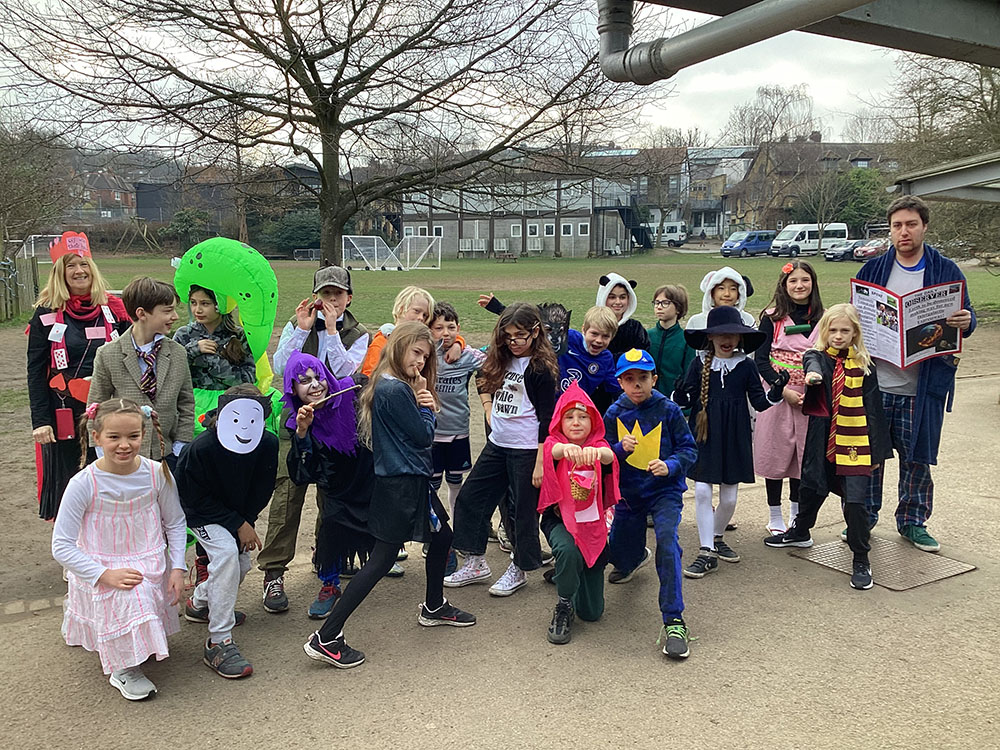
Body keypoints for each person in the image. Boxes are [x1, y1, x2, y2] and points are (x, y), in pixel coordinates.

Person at [303, 322, 476, 669]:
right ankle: (327, 636)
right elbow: (423, 435)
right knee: (381, 561)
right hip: (401, 486)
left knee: (443, 536)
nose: (420, 361)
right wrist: (427, 404)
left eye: (425, 356)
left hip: (410, 482)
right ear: (398, 347)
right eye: (416, 352)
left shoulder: (391, 384)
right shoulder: (394, 389)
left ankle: (433, 606)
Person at [855, 196, 976, 553]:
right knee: (871, 456)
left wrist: (968, 321)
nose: (903, 232)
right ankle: (865, 518)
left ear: (924, 226)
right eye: (897, 226)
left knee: (918, 457)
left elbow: (965, 315)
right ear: (890, 230)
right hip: (877, 381)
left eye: (910, 224)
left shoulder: (946, 270)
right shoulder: (873, 270)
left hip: (923, 385)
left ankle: (913, 521)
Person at [52, 398, 186, 700]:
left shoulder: (156, 474)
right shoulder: (83, 483)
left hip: (149, 555)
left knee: (142, 595)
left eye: (133, 436)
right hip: (104, 562)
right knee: (129, 592)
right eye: (114, 437)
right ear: (96, 436)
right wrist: (103, 574)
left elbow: (176, 523)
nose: (124, 445)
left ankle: (124, 637)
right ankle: (123, 668)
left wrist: (177, 567)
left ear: (144, 434)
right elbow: (61, 545)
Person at [260, 266, 370, 613]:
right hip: (297, 422)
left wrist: (333, 331)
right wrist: (302, 330)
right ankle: (274, 571)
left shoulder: (357, 332)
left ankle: (328, 564)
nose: (331, 300)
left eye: (337, 294)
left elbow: (345, 372)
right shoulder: (299, 325)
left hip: (336, 427)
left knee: (332, 499)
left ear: (349, 297)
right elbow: (280, 367)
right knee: (288, 495)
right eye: (325, 293)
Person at [764, 304, 893, 590]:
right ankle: (800, 530)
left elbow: (874, 410)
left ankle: (861, 558)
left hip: (856, 442)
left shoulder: (864, 366)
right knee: (812, 487)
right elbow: (812, 366)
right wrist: (812, 377)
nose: (838, 335)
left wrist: (877, 452)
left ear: (855, 333)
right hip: (823, 439)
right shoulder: (817, 357)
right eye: (832, 330)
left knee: (857, 503)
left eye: (845, 330)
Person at [445, 303, 559, 596]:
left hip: (526, 448)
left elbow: (548, 417)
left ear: (536, 332)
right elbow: (482, 379)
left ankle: (519, 568)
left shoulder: (541, 368)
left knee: (522, 512)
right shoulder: (501, 357)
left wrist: (540, 461)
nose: (514, 342)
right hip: (498, 443)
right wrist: (487, 408)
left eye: (520, 335)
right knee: (471, 498)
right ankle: (475, 561)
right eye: (508, 336)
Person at [674, 306, 788, 578]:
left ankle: (715, 535)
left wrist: (777, 391)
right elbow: (686, 400)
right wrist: (680, 395)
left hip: (734, 436)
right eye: (720, 334)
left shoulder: (746, 366)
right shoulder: (698, 364)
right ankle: (706, 551)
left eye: (733, 334)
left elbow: (760, 403)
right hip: (705, 434)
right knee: (702, 492)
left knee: (729, 498)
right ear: (709, 337)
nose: (727, 339)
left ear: (741, 338)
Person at [176, 385, 279, 678]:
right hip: (202, 514)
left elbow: (262, 488)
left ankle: (199, 604)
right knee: (227, 558)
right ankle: (218, 640)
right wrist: (237, 524)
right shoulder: (201, 449)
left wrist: (245, 522)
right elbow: (192, 499)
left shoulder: (267, 445)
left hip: (238, 517)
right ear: (221, 416)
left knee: (240, 565)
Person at [27, 232, 130, 519]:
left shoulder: (114, 310)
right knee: (69, 481)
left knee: (111, 475)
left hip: (109, 408)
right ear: (60, 272)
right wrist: (41, 421)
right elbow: (35, 371)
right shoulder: (45, 314)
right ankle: (72, 549)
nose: (79, 271)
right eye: (71, 265)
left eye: (83, 264)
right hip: (64, 409)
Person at [603, 349, 698, 659]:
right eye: (629, 379)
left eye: (643, 378)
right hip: (629, 496)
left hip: (664, 493)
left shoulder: (669, 410)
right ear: (620, 382)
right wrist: (618, 448)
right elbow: (602, 455)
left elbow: (689, 449)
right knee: (619, 554)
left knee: (667, 542)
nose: (637, 385)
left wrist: (670, 465)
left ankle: (674, 620)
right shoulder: (614, 413)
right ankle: (630, 558)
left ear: (654, 379)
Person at [282, 352, 374, 619]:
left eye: (318, 376)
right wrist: (302, 433)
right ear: (293, 390)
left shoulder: (353, 390)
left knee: (398, 515)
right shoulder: (298, 421)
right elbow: (301, 473)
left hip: (369, 476)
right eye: (304, 381)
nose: (315, 385)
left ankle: (440, 549)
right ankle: (330, 584)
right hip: (336, 489)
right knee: (332, 529)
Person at [539, 383, 620, 644]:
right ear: (559, 421)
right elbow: (552, 450)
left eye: (583, 416)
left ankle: (568, 573)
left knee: (592, 612)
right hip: (560, 520)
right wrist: (566, 450)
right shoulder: (555, 442)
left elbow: (609, 456)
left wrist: (598, 453)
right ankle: (563, 604)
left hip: (592, 525)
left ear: (593, 420)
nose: (576, 422)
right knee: (568, 550)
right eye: (569, 416)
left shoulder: (599, 445)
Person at [87, 277, 194, 469]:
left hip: (167, 456)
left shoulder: (178, 353)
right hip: (123, 456)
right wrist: (102, 450)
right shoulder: (108, 354)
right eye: (168, 310)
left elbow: (186, 402)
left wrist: (180, 446)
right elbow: (96, 405)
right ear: (142, 313)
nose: (175, 316)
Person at [754, 262, 824, 534]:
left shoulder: (824, 318)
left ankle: (797, 513)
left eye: (805, 280)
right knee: (775, 453)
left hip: (811, 397)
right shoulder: (771, 318)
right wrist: (781, 390)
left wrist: (812, 391)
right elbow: (760, 360)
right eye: (793, 281)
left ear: (813, 283)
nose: (799, 286)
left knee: (801, 457)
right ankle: (774, 515)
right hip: (778, 394)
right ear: (784, 285)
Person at [428, 302, 486, 516]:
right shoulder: (425, 354)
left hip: (458, 431)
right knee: (431, 485)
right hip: (431, 433)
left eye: (451, 328)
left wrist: (460, 344)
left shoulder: (468, 356)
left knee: (455, 482)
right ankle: (432, 532)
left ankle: (457, 528)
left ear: (458, 328)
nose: (446, 333)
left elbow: (493, 360)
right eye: (439, 328)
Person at [173, 283, 256, 419]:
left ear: (220, 305)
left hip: (230, 407)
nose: (197, 310)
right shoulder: (184, 335)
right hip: (191, 408)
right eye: (193, 303)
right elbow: (172, 374)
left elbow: (247, 380)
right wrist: (192, 351)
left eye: (205, 304)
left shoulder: (239, 336)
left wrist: (213, 362)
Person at [360, 285, 464, 376]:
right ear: (401, 309)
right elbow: (369, 376)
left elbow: (443, 336)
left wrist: (458, 343)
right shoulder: (383, 341)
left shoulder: (420, 339)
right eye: (416, 311)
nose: (420, 318)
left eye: (425, 315)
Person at [560, 305, 622, 407]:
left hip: (577, 411)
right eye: (594, 334)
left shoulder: (606, 359)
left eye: (605, 336)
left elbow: (616, 390)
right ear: (584, 329)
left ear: (612, 337)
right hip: (550, 408)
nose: (599, 340)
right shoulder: (567, 339)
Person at [647, 284, 696, 403]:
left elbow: (688, 376)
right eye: (657, 303)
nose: (659, 307)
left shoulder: (686, 340)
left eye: (665, 303)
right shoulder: (647, 336)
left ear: (678, 308)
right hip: (648, 401)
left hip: (674, 403)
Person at [596, 273, 650, 357]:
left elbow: (641, 355)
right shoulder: (595, 325)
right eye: (612, 297)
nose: (618, 302)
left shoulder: (635, 328)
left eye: (622, 297)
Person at [685, 267, 755, 330]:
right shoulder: (696, 321)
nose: (727, 294)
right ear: (712, 292)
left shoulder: (747, 320)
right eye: (721, 288)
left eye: (733, 289)